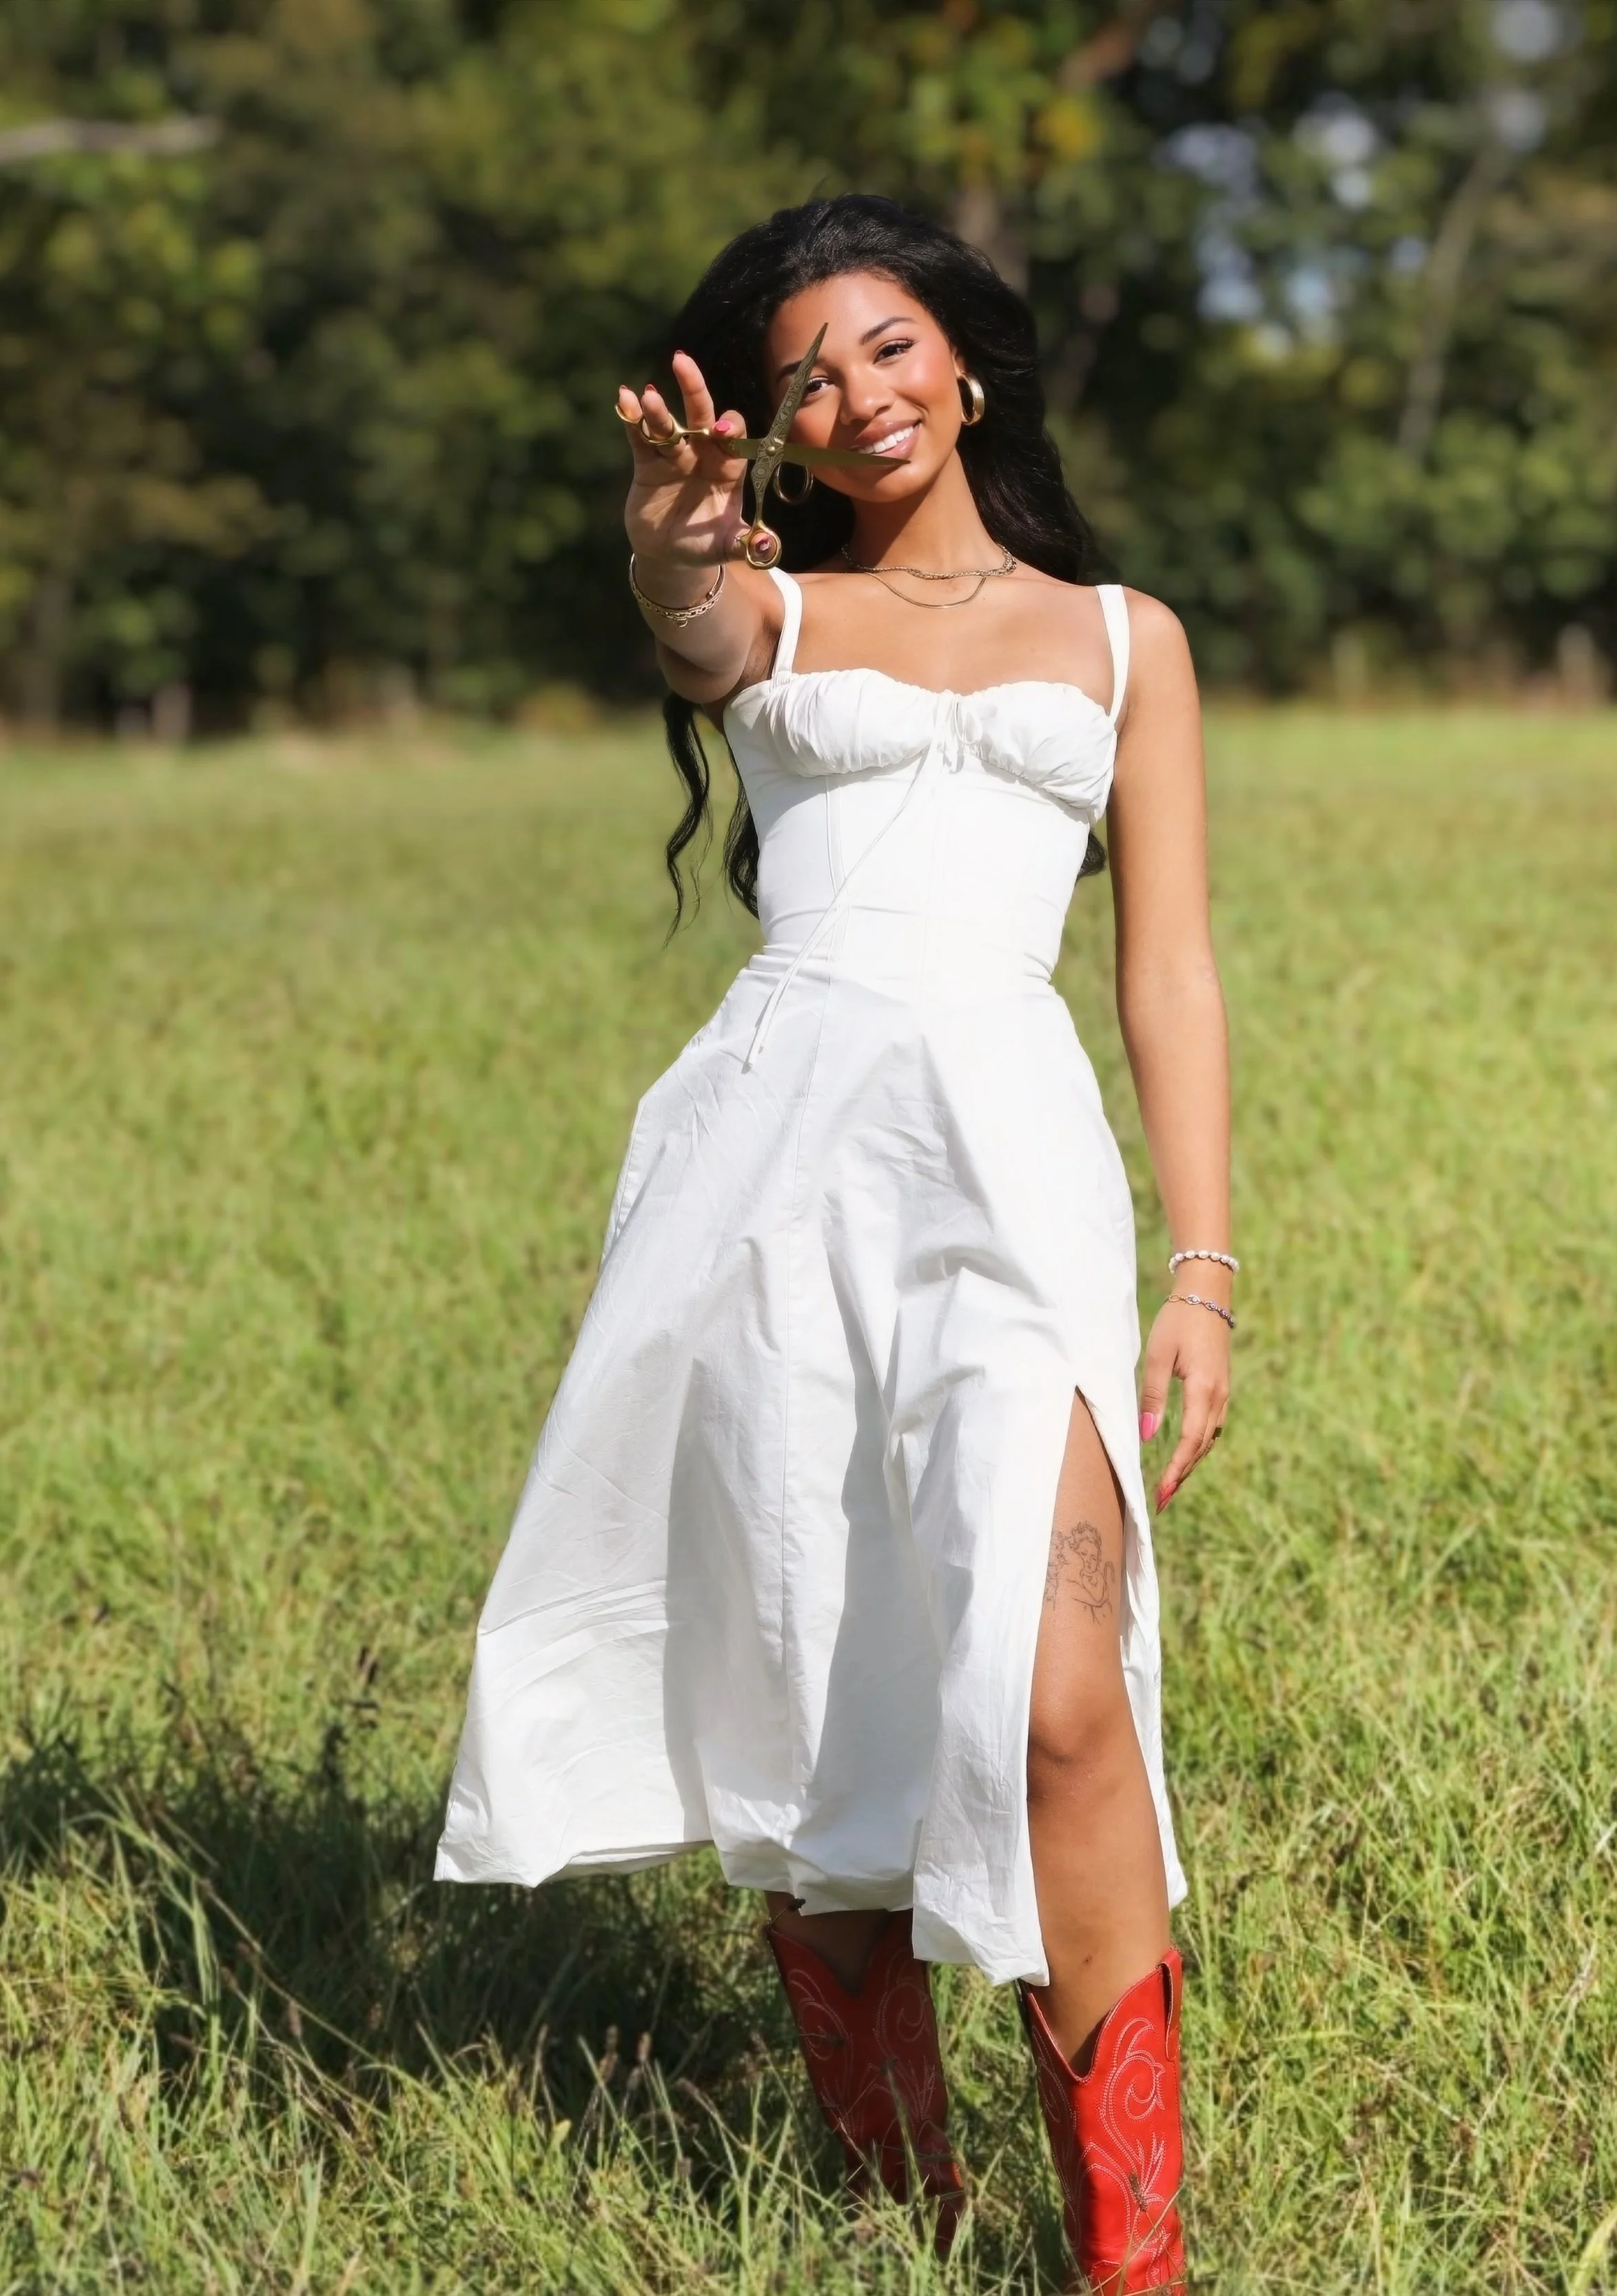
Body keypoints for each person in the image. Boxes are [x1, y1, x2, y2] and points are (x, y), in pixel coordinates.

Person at [436, 194, 1232, 2294]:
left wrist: (1203, 1265)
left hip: (1014, 1168)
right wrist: (667, 541)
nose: (858, 396)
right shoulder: (774, 607)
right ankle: (903, 2218)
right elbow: (692, 631)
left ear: (962, 361)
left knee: (1063, 1700)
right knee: (810, 1669)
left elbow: (1167, 968)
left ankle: (1131, 2265)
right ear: (772, 431)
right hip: (773, 1168)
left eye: (887, 346)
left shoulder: (1126, 638)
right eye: (806, 378)